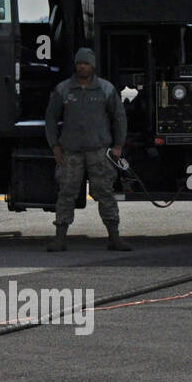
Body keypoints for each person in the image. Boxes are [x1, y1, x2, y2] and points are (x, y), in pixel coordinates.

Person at [45, 47, 131, 251]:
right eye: (79, 63)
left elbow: (119, 118)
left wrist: (118, 145)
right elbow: (50, 118)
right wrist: (55, 146)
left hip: (99, 151)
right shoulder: (63, 89)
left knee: (105, 193)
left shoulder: (106, 89)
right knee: (66, 193)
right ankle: (60, 238)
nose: (82, 66)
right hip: (70, 152)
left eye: (86, 63)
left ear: (92, 66)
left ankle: (114, 237)